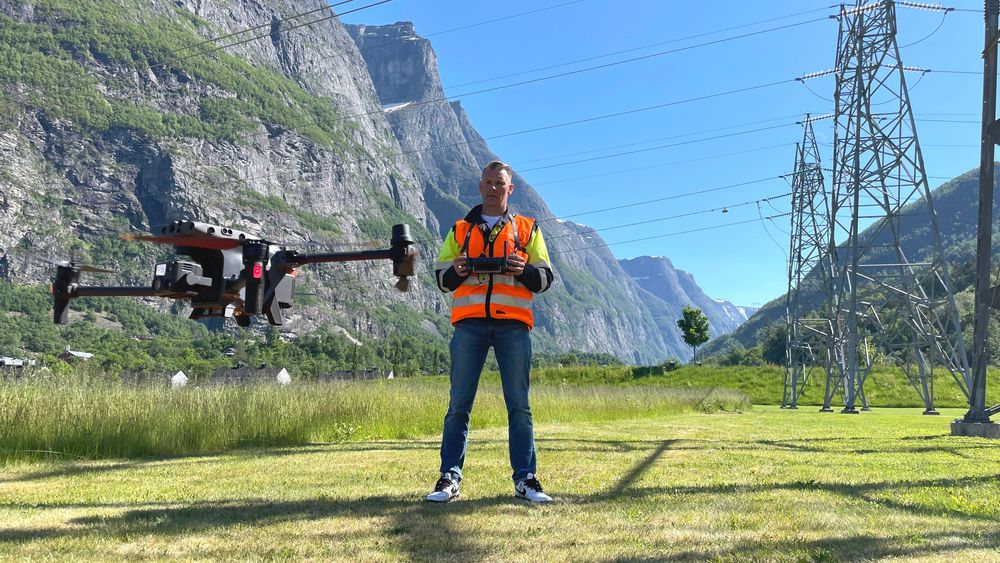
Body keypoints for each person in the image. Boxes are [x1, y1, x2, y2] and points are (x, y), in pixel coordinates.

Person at [426, 160, 555, 503]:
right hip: (469, 325)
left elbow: (544, 279)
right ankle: (449, 477)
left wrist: (523, 268)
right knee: (458, 405)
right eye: (488, 182)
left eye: (501, 184)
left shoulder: (528, 229)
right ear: (479, 186)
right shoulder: (459, 230)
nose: (494, 188)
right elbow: (440, 278)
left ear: (510, 189)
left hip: (513, 326)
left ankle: (526, 479)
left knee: (520, 406)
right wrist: (457, 269)